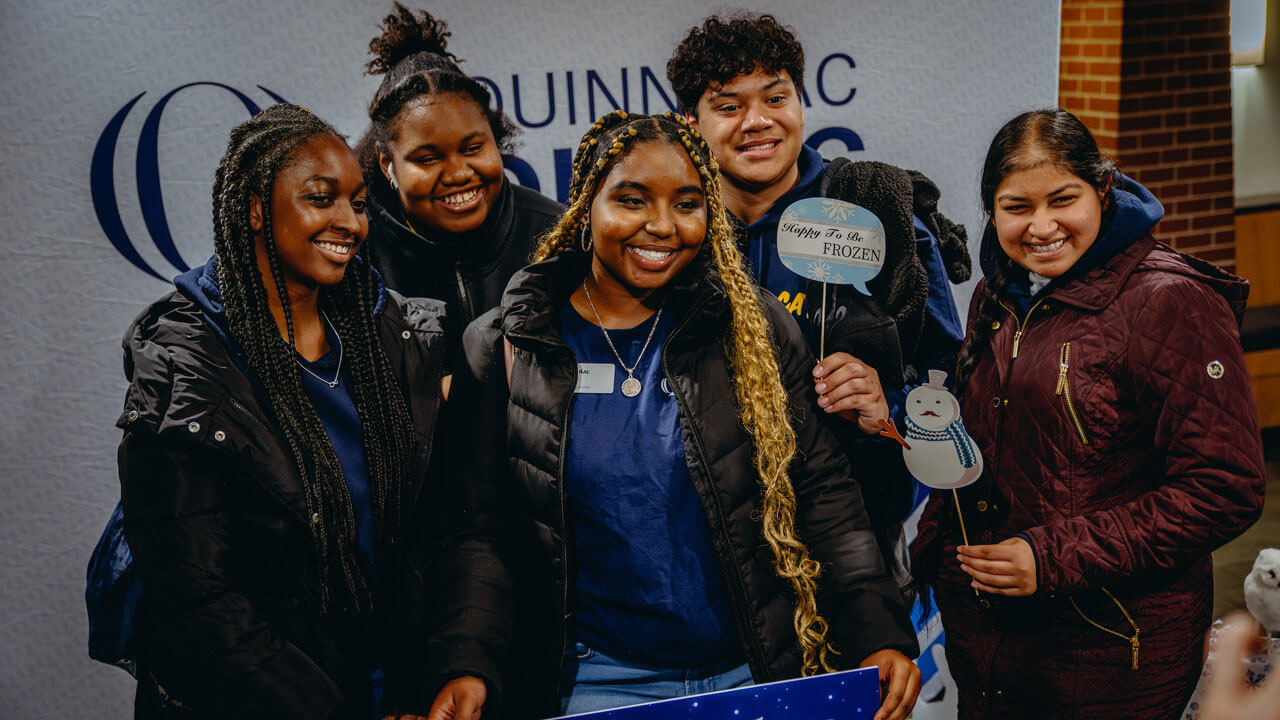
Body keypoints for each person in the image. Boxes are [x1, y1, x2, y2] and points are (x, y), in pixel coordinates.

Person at [445, 111, 920, 720]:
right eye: (632, 199)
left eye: (688, 203)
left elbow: (823, 494)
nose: (663, 226)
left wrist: (877, 631)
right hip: (593, 682)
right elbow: (477, 532)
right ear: (587, 204)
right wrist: (464, 660)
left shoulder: (752, 330)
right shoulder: (505, 345)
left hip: (752, 671)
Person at [116, 104, 483, 719]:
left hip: (394, 688)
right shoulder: (188, 368)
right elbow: (201, 603)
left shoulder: (391, 335)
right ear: (257, 209)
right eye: (321, 199)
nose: (349, 222)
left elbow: (453, 529)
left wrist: (455, 661)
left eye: (359, 203)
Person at [911, 108, 1267, 719]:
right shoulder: (999, 291)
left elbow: (1224, 489)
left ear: (1103, 189)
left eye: (1062, 199)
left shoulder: (1168, 301)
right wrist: (934, 561)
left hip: (1110, 655)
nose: (1041, 226)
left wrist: (1050, 558)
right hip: (992, 646)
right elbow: (982, 445)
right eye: (1016, 207)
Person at [666, 13, 972, 591]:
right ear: (691, 123)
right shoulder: (670, 231)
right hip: (710, 558)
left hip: (856, 549)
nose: (757, 122)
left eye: (776, 97)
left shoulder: (878, 214)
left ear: (801, 102)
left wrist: (891, 409)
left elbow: (950, 383)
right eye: (728, 106)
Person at [357, 3, 562, 364]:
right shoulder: (357, 253)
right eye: (428, 158)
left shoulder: (554, 234)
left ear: (495, 139)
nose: (457, 174)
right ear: (388, 164)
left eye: (472, 148)